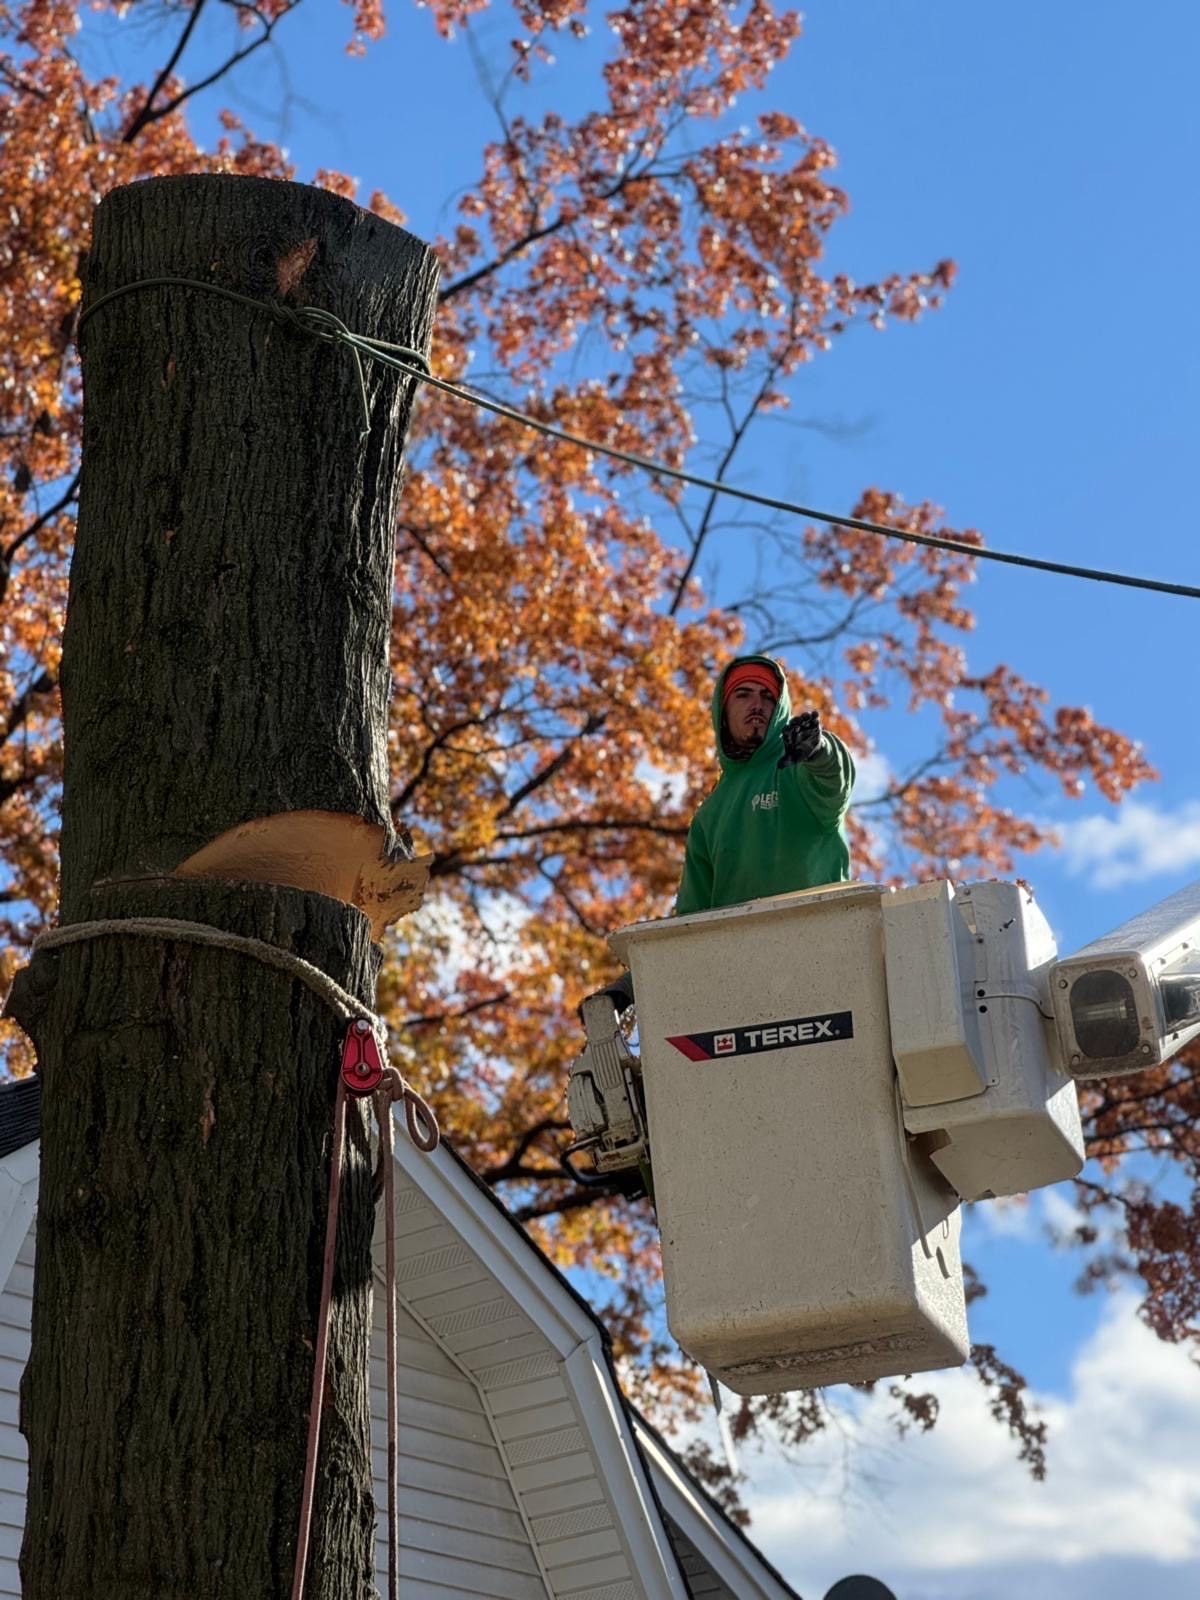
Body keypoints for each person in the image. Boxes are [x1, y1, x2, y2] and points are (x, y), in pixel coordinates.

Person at [674, 654, 855, 915]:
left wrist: (817, 749)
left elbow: (833, 778)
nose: (757, 704)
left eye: (768, 696)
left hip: (820, 939)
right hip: (740, 951)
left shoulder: (798, 768)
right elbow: (690, 917)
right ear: (722, 711)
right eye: (743, 694)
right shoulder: (708, 816)